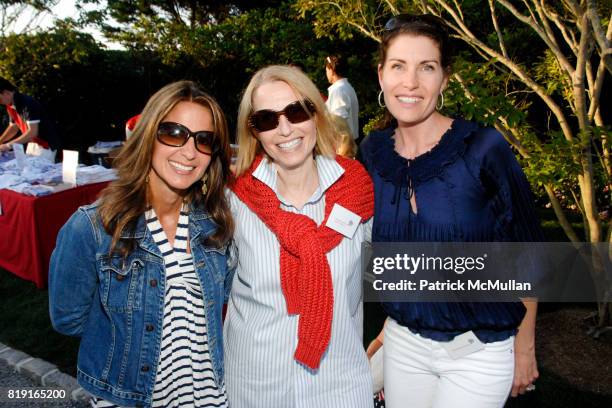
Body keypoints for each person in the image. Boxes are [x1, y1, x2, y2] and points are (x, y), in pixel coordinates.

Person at [359, 14, 543, 408]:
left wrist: (525, 348)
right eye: (398, 66)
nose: (410, 82)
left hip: (478, 351)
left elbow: (527, 254)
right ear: (380, 76)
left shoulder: (483, 149)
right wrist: (388, 327)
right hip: (404, 346)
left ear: (444, 79)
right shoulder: (372, 153)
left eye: (427, 67)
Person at [49, 81, 234, 407]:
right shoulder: (93, 228)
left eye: (204, 140)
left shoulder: (214, 224)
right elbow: (68, 319)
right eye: (174, 133)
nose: (189, 151)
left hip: (209, 398)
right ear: (148, 135)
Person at [225, 65, 375, 407]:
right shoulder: (233, 199)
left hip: (339, 386)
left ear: (316, 114)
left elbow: (398, 273)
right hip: (256, 388)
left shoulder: (358, 193)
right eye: (266, 120)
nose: (284, 129)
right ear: (254, 132)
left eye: (296, 111)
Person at [0, 77, 60, 157]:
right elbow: (14, 128)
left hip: (45, 146)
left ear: (6, 92)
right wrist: (0, 140)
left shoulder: (27, 103)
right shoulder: (10, 104)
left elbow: (32, 132)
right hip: (32, 143)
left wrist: (8, 145)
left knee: (40, 169)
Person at [325, 55, 360, 140]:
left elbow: (339, 122)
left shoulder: (338, 90)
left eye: (326, 70)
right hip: (349, 144)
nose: (326, 73)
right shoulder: (347, 87)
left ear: (331, 70)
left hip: (342, 147)